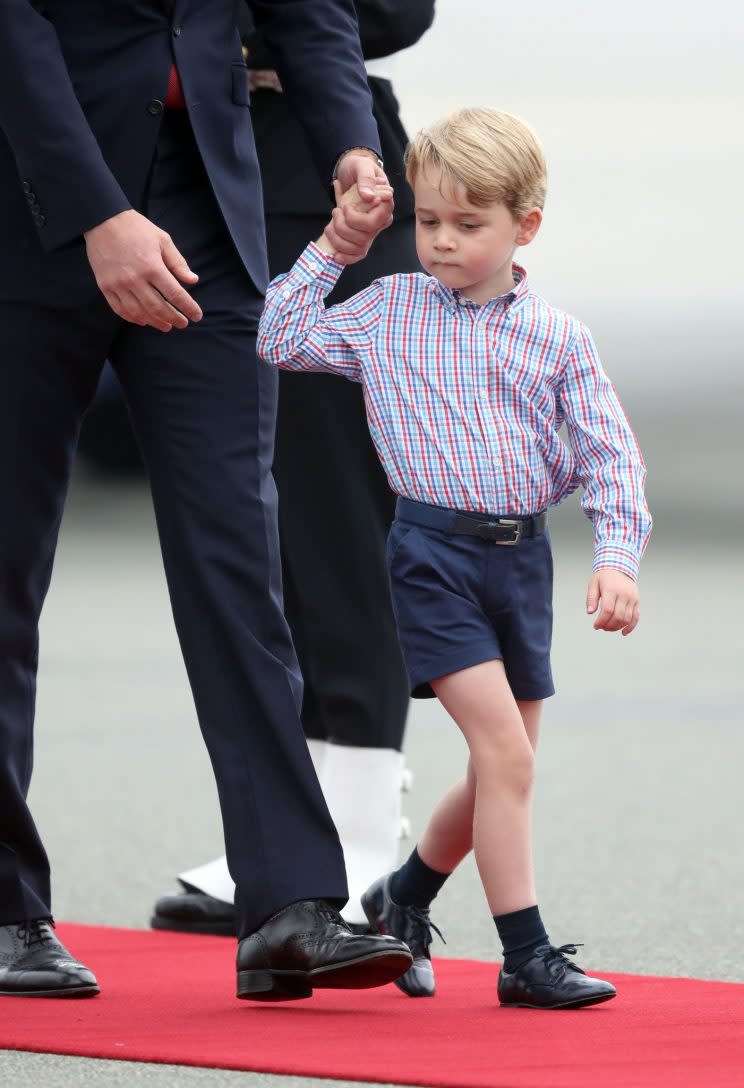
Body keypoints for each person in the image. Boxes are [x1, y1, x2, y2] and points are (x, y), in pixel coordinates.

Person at [0, 0, 414, 1002]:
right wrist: (97, 212)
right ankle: (8, 909)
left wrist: (353, 149)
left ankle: (289, 904)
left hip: (211, 221)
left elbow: (310, 12)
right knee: (5, 569)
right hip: (32, 207)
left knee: (241, 560)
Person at [257, 107, 652, 1009]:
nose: (440, 242)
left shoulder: (558, 338)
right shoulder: (388, 310)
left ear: (526, 227)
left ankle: (401, 899)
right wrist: (334, 245)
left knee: (495, 770)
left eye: (467, 225)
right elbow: (277, 336)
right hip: (431, 556)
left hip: (523, 566)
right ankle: (526, 956)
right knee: (508, 759)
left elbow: (609, 454)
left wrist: (618, 557)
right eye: (428, 221)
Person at [151, 0, 435, 938]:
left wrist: (222, 28)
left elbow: (396, 11)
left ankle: (360, 829)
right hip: (189, 176)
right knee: (258, 529)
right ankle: (291, 835)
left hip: (319, 178)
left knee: (337, 518)